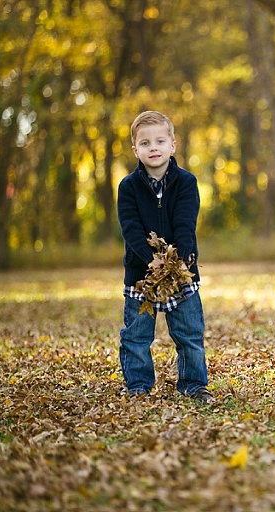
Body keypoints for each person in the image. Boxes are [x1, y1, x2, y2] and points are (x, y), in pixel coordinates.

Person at [116, 110, 214, 404]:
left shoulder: (185, 182)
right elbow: (131, 229)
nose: (153, 148)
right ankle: (139, 385)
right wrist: (150, 259)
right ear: (136, 150)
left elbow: (186, 225)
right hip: (141, 275)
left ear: (173, 145)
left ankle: (194, 384)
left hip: (180, 272)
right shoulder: (128, 187)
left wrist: (182, 260)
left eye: (160, 141)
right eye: (145, 143)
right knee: (136, 336)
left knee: (189, 334)